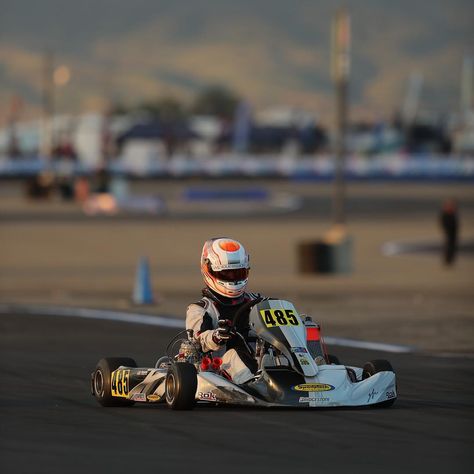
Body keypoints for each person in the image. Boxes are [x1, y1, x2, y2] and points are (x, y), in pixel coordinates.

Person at [186, 237, 265, 384]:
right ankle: (256, 384)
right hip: (221, 365)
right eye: (226, 274)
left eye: (238, 273)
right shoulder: (200, 309)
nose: (233, 279)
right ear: (208, 270)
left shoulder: (258, 301)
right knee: (236, 355)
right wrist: (217, 336)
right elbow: (198, 340)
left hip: (261, 359)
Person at [439, 199, 459, 266]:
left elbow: (455, 223)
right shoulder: (445, 214)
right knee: (449, 245)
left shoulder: (452, 214)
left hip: (453, 232)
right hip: (449, 231)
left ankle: (450, 260)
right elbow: (443, 223)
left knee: (452, 245)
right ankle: (448, 260)